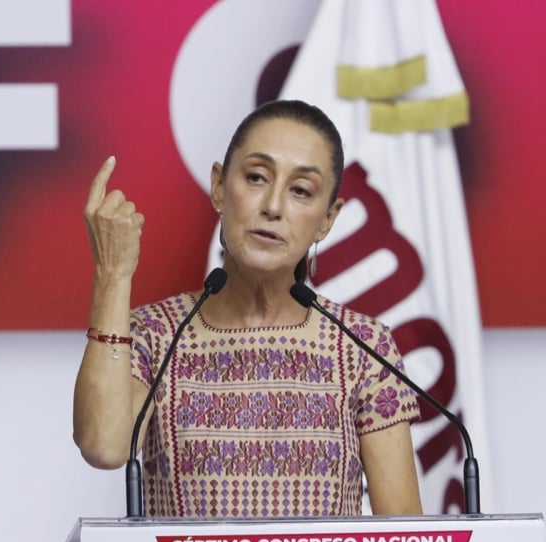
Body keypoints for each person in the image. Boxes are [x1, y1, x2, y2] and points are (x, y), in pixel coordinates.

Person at [72, 99, 423, 517]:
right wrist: (113, 273)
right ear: (220, 186)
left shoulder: (363, 347)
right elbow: (104, 445)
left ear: (328, 219)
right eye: (256, 177)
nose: (273, 206)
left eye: (301, 191)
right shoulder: (155, 335)